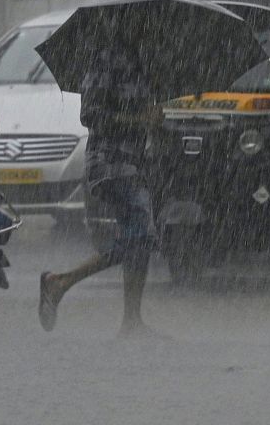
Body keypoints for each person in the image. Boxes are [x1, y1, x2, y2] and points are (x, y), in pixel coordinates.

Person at [38, 39, 160, 337]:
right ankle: (60, 281)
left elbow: (141, 114)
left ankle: (131, 321)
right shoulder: (106, 58)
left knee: (136, 238)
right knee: (142, 235)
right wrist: (137, 119)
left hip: (133, 162)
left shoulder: (143, 59)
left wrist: (153, 119)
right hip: (109, 162)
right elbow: (90, 114)